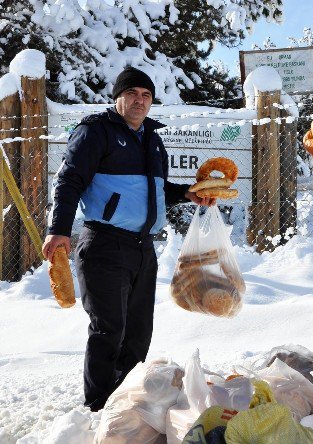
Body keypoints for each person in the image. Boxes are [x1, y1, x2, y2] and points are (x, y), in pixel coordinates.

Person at [42, 67, 215, 411]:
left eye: (146, 95)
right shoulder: (96, 132)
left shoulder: (152, 139)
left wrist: (188, 194)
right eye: (132, 93)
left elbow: (155, 189)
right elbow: (69, 180)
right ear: (118, 97)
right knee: (109, 330)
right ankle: (98, 408)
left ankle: (125, 403)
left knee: (138, 332)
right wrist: (59, 229)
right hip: (104, 244)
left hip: (142, 247)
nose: (140, 100)